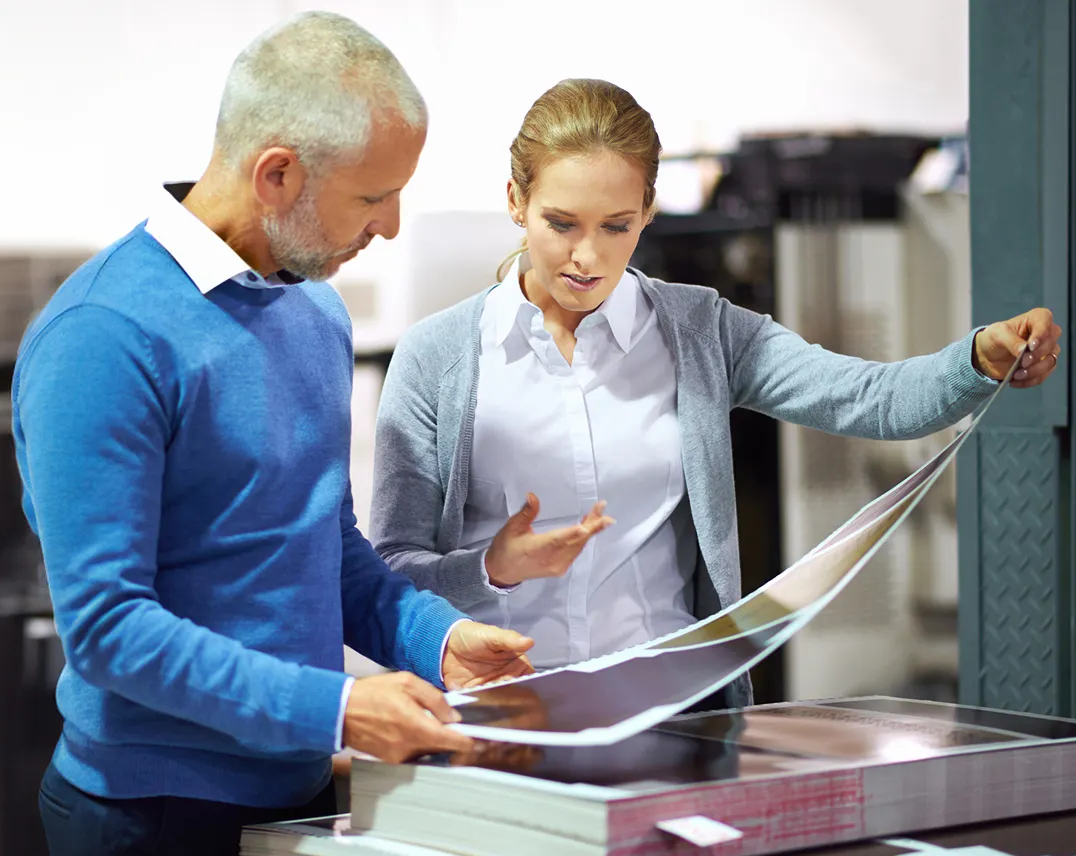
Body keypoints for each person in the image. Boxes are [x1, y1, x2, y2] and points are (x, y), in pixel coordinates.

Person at [11, 12, 537, 856]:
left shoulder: (314, 312)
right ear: (278, 173)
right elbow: (109, 628)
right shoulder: (104, 335)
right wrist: (340, 709)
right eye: (372, 197)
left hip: (296, 796)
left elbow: (322, 549)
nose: (388, 227)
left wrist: (440, 639)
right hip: (152, 828)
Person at [371, 78, 1062, 711]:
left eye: (616, 226)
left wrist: (975, 359)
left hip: (668, 715)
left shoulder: (700, 331)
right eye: (561, 223)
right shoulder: (437, 357)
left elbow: (868, 396)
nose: (587, 256)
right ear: (516, 202)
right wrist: (491, 567)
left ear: (648, 211)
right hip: (500, 714)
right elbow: (390, 575)